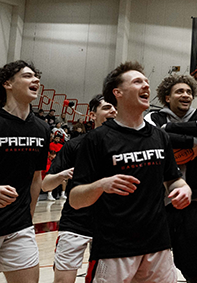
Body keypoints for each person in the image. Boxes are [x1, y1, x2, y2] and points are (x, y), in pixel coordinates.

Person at [69, 61, 192, 283]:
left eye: (146, 81)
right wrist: (101, 185)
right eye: (137, 82)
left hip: (158, 245)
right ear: (117, 93)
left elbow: (174, 180)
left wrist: (184, 189)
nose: (146, 85)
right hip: (114, 247)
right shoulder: (97, 139)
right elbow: (75, 199)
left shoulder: (160, 136)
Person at [145, 74, 197, 283]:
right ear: (167, 97)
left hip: (192, 198)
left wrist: (169, 131)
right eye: (180, 91)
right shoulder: (153, 117)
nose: (186, 95)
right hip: (159, 199)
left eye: (189, 92)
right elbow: (154, 135)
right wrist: (191, 140)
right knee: (155, 257)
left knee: (192, 261)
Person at [41, 94, 116, 283]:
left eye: (116, 107)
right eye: (107, 107)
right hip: (75, 223)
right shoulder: (74, 145)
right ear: (92, 115)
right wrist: (62, 175)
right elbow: (46, 184)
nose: (113, 111)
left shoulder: (127, 146)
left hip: (111, 225)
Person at [0, 60, 50, 283]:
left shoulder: (42, 128)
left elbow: (35, 178)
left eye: (36, 76)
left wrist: (27, 220)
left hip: (19, 227)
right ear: (8, 84)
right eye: (27, 76)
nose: (36, 80)